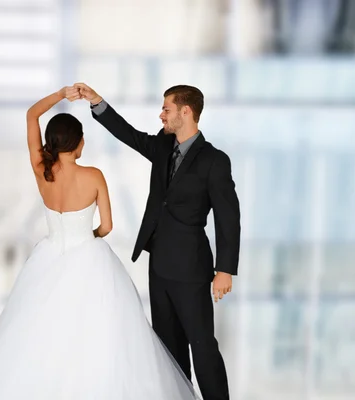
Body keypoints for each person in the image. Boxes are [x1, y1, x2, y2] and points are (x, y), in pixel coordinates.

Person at [0, 86, 200, 400]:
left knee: (43, 333)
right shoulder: (93, 176)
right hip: (89, 259)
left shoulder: (42, 170)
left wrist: (61, 94)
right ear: (79, 143)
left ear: (52, 142)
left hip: (50, 255)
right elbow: (106, 227)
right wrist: (88, 238)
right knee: (98, 336)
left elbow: (31, 115)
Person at [74, 82, 241, 400]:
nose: (161, 114)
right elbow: (130, 135)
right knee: (168, 351)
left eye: (167, 108)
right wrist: (97, 102)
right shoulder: (163, 146)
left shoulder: (214, 161)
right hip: (159, 266)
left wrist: (225, 270)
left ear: (186, 112)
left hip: (191, 269)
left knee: (202, 347)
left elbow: (228, 218)